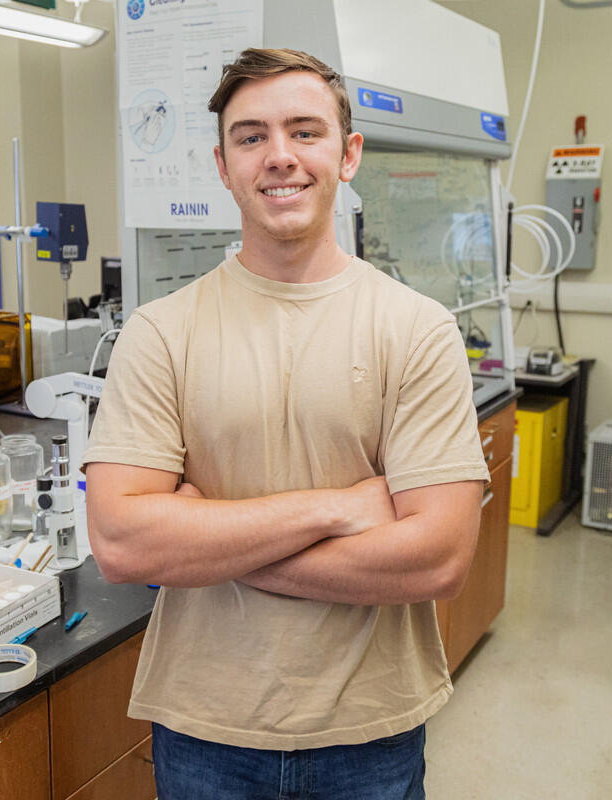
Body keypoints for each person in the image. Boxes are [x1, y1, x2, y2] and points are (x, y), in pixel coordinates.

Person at [83, 47, 489, 800]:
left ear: (348, 154)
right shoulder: (162, 331)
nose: (280, 157)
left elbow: (438, 559)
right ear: (222, 163)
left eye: (305, 132)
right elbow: (119, 541)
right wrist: (340, 508)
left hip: (369, 728)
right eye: (251, 136)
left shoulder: (416, 329)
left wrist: (207, 541)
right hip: (206, 727)